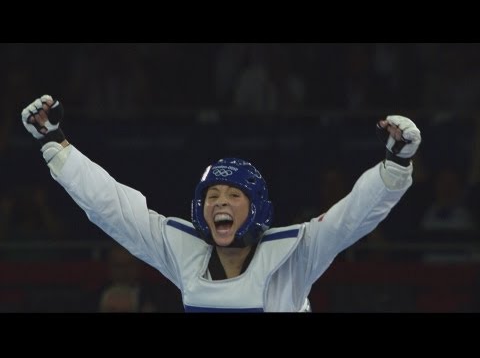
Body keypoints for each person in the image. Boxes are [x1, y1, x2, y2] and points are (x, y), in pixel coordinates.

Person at [21, 94, 421, 312]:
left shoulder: (294, 254)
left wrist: (395, 165)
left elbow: (350, 218)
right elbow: (112, 207)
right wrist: (57, 146)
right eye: (211, 196)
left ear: (257, 209)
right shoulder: (183, 252)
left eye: (233, 195)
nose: (219, 202)